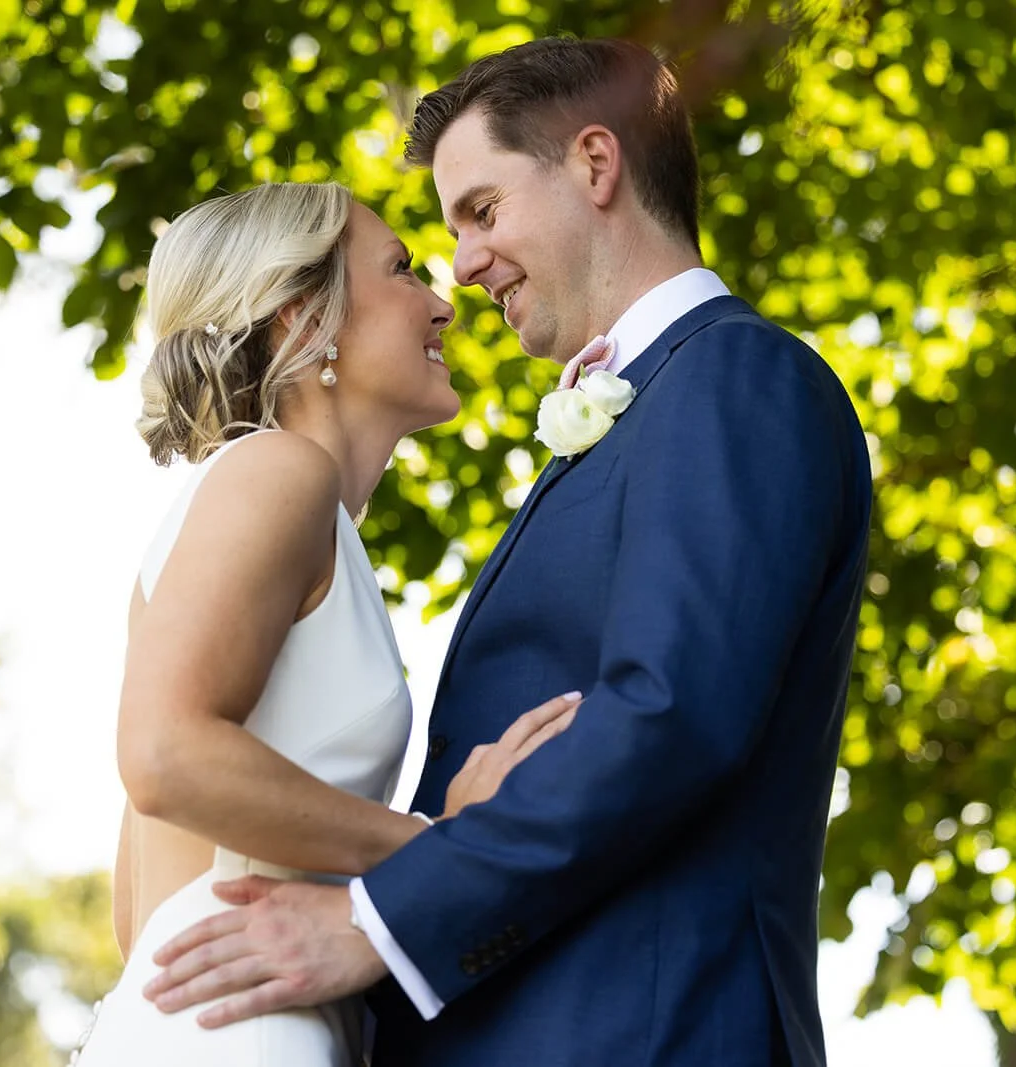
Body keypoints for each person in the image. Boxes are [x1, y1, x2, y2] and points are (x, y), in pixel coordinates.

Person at [146, 37, 872, 1067]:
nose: (462, 269)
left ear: (594, 163)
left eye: (481, 212)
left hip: (644, 1032)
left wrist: (379, 916)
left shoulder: (732, 377)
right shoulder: (629, 422)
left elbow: (672, 713)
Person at [71, 181, 580, 1065]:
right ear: (306, 320)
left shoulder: (269, 507)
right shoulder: (277, 471)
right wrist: (443, 845)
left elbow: (138, 909)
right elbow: (162, 755)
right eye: (402, 269)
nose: (441, 302)